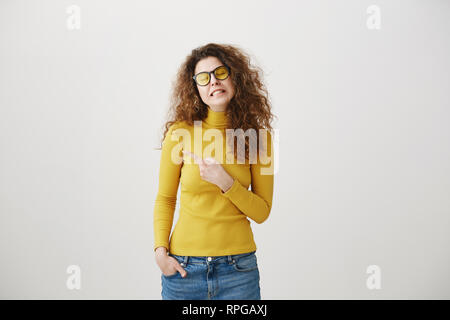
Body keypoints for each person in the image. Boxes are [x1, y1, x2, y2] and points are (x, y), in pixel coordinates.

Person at [153, 43, 275, 300]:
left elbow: (262, 211)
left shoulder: (258, 138)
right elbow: (165, 199)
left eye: (220, 73)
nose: (213, 82)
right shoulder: (180, 134)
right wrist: (160, 253)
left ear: (235, 77)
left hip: (238, 272)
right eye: (203, 78)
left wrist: (227, 183)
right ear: (195, 87)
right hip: (183, 270)